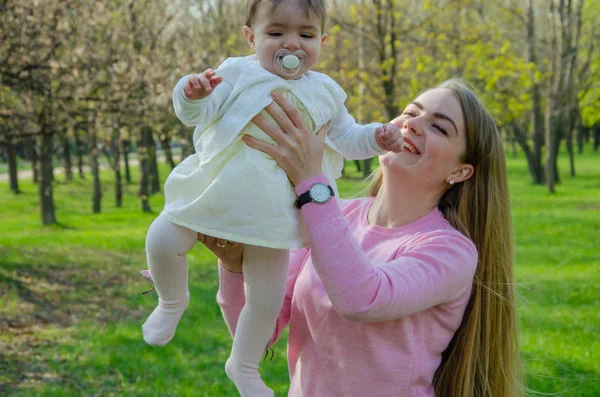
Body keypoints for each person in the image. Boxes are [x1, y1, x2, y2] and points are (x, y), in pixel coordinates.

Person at [141, 0, 403, 396]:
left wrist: (376, 137)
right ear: (251, 38)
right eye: (276, 33)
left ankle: (244, 365)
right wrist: (192, 93)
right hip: (215, 190)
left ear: (323, 41)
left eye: (306, 35)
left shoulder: (327, 91)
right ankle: (170, 302)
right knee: (162, 240)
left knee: (264, 299)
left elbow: (346, 138)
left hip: (274, 213)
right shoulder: (236, 72)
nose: (291, 44)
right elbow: (199, 112)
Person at [203, 79, 523, 396]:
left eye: (439, 128)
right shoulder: (331, 215)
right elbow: (260, 332)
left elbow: (361, 299)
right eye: (411, 112)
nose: (412, 125)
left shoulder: (451, 251)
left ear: (460, 172)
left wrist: (310, 180)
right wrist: (232, 267)